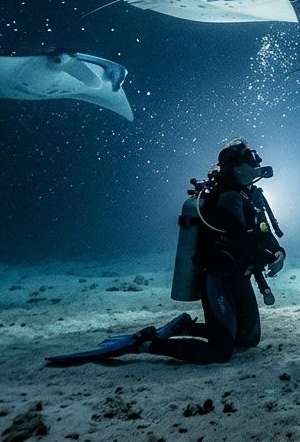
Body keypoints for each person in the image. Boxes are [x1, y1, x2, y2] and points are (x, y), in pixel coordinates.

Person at [46, 138, 286, 366]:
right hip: (218, 278)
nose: (256, 164)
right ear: (235, 167)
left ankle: (186, 327)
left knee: (248, 340)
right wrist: (265, 256)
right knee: (220, 352)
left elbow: (263, 233)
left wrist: (278, 252)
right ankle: (145, 344)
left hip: (239, 276)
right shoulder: (226, 199)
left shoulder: (249, 196)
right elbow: (243, 241)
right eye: (250, 159)